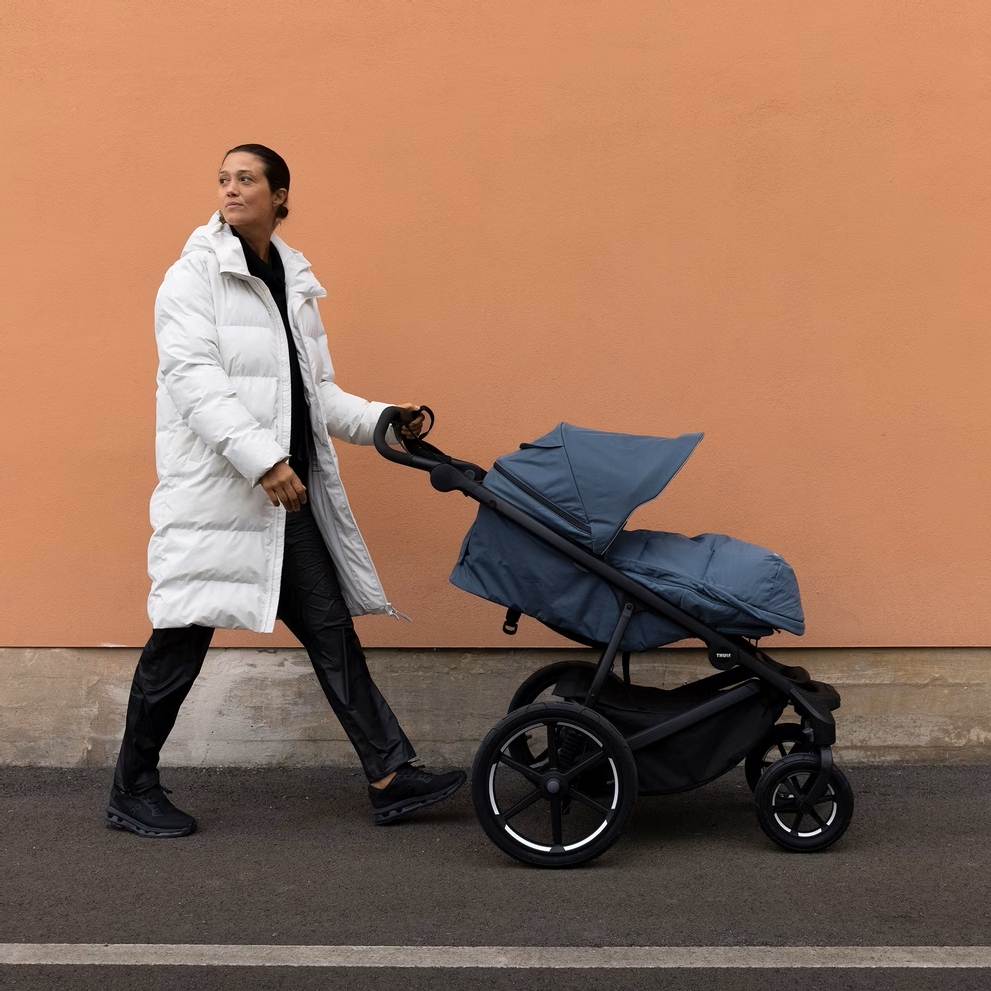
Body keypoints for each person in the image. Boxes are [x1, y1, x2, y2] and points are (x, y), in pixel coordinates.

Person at [106, 143, 465, 838]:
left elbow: (315, 392)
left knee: (331, 631)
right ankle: (132, 787)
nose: (230, 189)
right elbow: (193, 381)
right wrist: (264, 459)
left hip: (283, 501)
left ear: (280, 197)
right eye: (223, 179)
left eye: (246, 179)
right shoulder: (192, 276)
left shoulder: (292, 280)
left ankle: (390, 774)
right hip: (218, 498)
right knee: (177, 645)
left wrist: (385, 418)